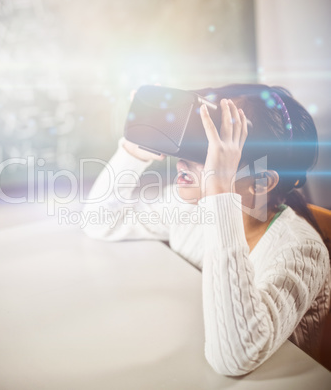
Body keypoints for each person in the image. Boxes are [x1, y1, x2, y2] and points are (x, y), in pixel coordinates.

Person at [82, 84, 331, 376]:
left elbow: (235, 357)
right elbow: (101, 220)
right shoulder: (193, 210)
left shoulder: (301, 251)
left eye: (216, 148)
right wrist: (136, 150)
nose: (185, 158)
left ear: (261, 182)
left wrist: (218, 190)